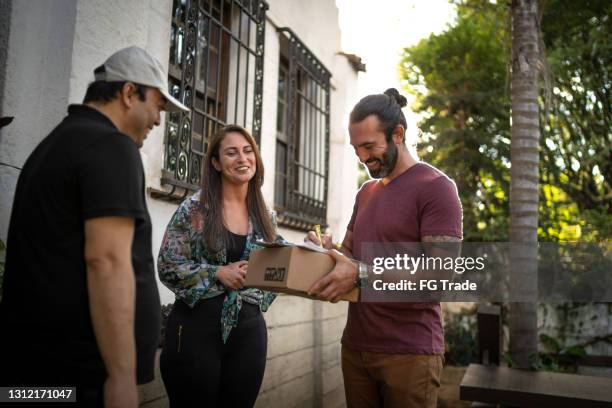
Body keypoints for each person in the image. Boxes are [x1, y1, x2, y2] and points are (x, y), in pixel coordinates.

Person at [0, 46, 188, 407]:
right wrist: (120, 379)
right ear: (129, 92)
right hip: (82, 376)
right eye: (157, 107)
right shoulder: (110, 146)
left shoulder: (53, 145)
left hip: (35, 379)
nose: (158, 121)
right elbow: (107, 261)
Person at [307, 88, 463, 407]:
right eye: (356, 149)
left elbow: (441, 277)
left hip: (409, 354)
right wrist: (328, 251)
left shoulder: (436, 189)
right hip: (356, 348)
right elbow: (350, 256)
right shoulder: (365, 193)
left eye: (369, 146)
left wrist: (361, 273)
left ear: (398, 134)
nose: (363, 158)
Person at [158, 125, 282, 408]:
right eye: (231, 152)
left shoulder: (266, 218)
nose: (242, 158)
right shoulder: (193, 210)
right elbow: (168, 264)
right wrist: (217, 273)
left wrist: (312, 248)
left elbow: (284, 265)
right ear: (216, 163)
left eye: (248, 151)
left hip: (249, 334)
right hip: (195, 331)